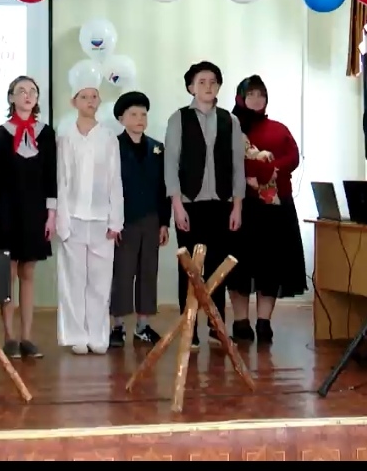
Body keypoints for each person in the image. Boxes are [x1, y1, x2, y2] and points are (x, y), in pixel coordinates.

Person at [163, 61, 245, 349]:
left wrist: (237, 206)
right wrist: (176, 205)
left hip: (222, 204)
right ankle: (190, 328)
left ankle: (215, 327)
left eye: (213, 82)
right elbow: (170, 164)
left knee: (218, 268)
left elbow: (238, 166)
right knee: (189, 269)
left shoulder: (230, 120)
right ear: (191, 87)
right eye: (201, 82)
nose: (208, 87)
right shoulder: (179, 119)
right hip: (189, 204)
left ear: (219, 86)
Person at [229, 75, 307, 343]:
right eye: (250, 94)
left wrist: (272, 170)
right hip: (243, 206)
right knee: (240, 267)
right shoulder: (231, 127)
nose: (256, 99)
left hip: (277, 207)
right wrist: (255, 174)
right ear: (241, 98)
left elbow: (293, 156)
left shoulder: (278, 128)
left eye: (260, 94)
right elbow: (229, 162)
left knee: (271, 266)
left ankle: (264, 322)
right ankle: (240, 322)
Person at [0, 76, 57, 360]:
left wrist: (51, 216)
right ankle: (9, 336)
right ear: (11, 97)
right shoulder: (0, 134)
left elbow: (50, 177)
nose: (27, 95)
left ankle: (27, 337)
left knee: (28, 273)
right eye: (21, 91)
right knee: (7, 274)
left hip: (35, 212)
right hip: (5, 211)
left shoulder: (46, 133)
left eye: (32, 91)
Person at [56, 74, 123, 355]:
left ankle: (97, 334)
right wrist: (62, 219)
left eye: (94, 96)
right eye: (84, 97)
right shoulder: (65, 136)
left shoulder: (108, 137)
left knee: (100, 279)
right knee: (73, 279)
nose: (90, 101)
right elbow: (61, 180)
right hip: (73, 217)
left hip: (101, 219)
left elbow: (115, 180)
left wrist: (116, 220)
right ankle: (76, 334)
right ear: (74, 102)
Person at [109, 92, 170, 348]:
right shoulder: (113, 146)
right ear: (121, 118)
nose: (139, 119)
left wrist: (164, 222)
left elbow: (164, 188)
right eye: (133, 114)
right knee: (122, 273)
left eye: (143, 114)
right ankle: (117, 326)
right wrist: (112, 222)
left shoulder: (157, 148)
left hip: (151, 219)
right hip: (124, 220)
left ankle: (143, 325)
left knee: (148, 272)